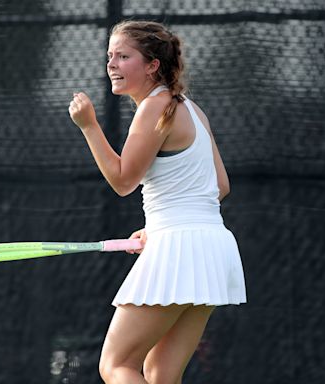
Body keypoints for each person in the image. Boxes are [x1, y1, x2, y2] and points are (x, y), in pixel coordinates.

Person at [68, 20, 246, 384]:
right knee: (160, 373)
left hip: (181, 247)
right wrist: (158, 226)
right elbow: (220, 186)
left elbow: (122, 181)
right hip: (214, 246)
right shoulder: (192, 110)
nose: (112, 64)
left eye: (124, 56)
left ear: (152, 65)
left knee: (117, 366)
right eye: (110, 56)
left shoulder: (154, 108)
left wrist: (89, 125)